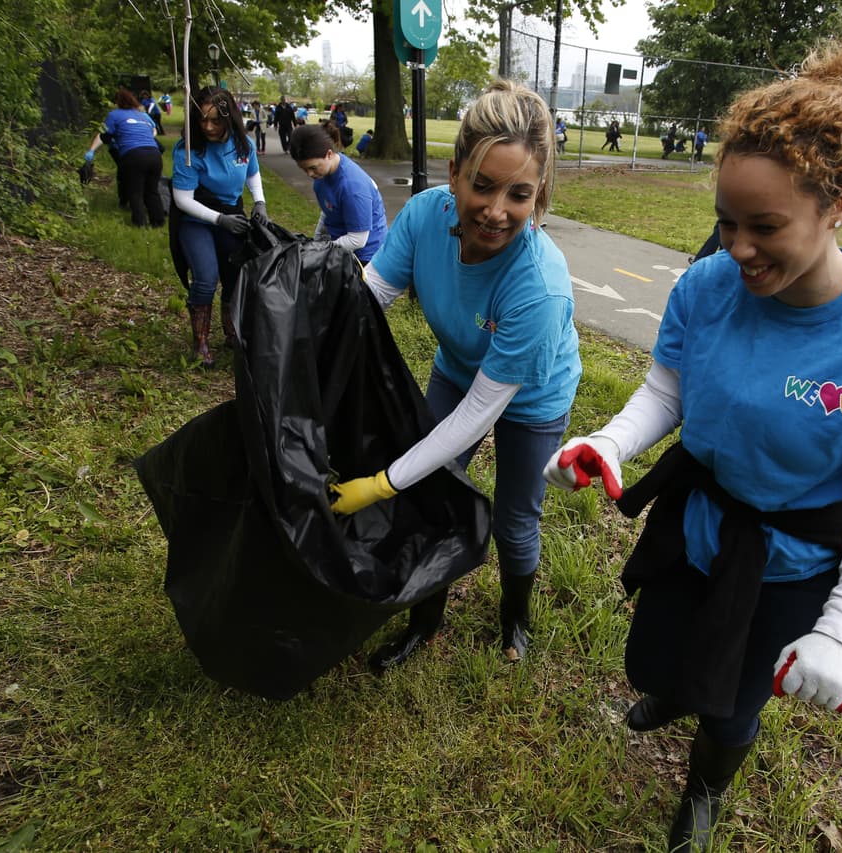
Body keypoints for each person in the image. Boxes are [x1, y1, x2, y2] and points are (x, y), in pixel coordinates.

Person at [543, 29, 842, 852]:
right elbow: (669, 385)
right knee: (655, 656)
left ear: (839, 201)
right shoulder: (710, 282)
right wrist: (611, 440)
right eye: (726, 221)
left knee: (735, 702)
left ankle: (704, 789)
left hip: (788, 565)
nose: (736, 247)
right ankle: (673, 692)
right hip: (698, 523)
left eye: (763, 225)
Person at [327, 80, 582, 669]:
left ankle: (515, 616)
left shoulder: (539, 285)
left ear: (538, 192)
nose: (496, 211)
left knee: (516, 518)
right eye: (483, 185)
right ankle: (427, 618)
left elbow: (477, 416)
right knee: (435, 496)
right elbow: (368, 303)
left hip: (531, 396)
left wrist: (383, 481)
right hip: (457, 370)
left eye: (519, 194)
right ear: (455, 171)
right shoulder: (422, 215)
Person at [170, 86, 267, 367]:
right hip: (196, 219)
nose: (209, 127)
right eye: (202, 120)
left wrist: (259, 202)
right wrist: (218, 219)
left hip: (232, 216)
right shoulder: (188, 150)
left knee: (236, 273)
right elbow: (182, 199)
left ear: (229, 119)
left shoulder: (242, 144)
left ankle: (231, 331)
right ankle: (200, 343)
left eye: (216, 120)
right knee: (206, 276)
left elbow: (253, 173)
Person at [289, 121, 387, 265]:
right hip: (341, 247)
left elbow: (357, 239)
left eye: (313, 168)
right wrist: (316, 242)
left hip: (366, 257)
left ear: (329, 154)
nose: (309, 174)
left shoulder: (353, 187)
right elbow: (328, 210)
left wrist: (319, 250)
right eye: (304, 169)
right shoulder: (322, 174)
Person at [85, 87, 164, 228]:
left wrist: (92, 150)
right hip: (154, 154)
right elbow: (154, 131)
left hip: (133, 156)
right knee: (152, 190)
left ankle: (140, 223)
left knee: (135, 191)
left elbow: (105, 135)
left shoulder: (114, 115)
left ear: (117, 101)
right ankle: (158, 222)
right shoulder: (142, 115)